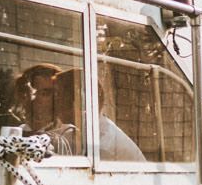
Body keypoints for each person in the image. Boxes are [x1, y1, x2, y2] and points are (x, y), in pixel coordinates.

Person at [11, 64, 147, 162]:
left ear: (76, 100)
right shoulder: (18, 133)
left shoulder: (99, 145)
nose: (55, 100)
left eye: (57, 94)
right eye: (47, 93)